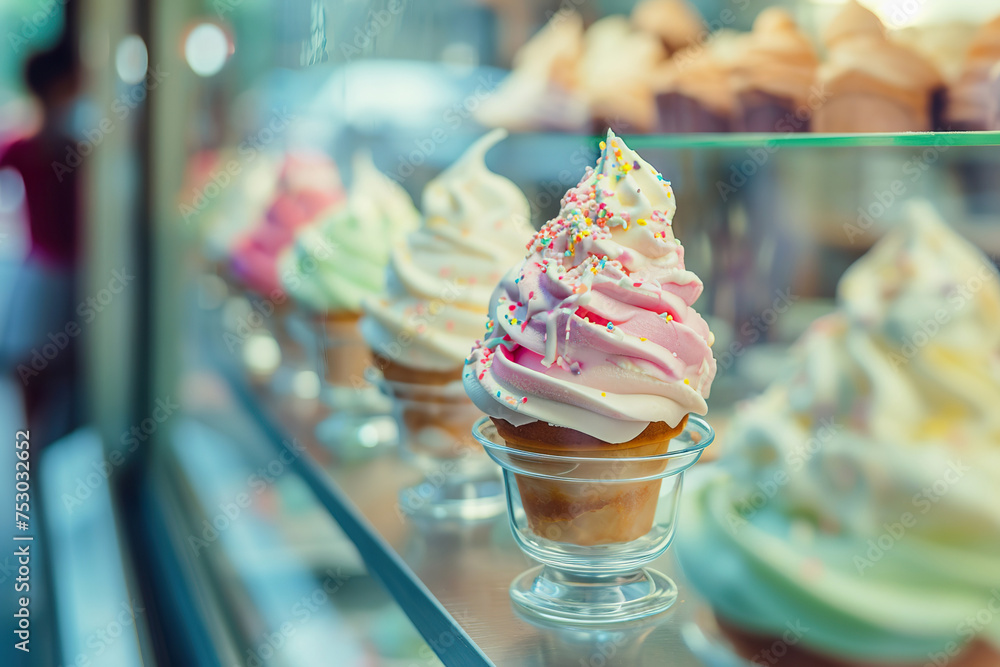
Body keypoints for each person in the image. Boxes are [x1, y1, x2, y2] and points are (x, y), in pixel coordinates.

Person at [0, 45, 84, 448]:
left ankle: (31, 476)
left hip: (54, 276)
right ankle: (30, 478)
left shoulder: (43, 146)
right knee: (39, 381)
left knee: (39, 384)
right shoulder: (65, 147)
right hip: (52, 275)